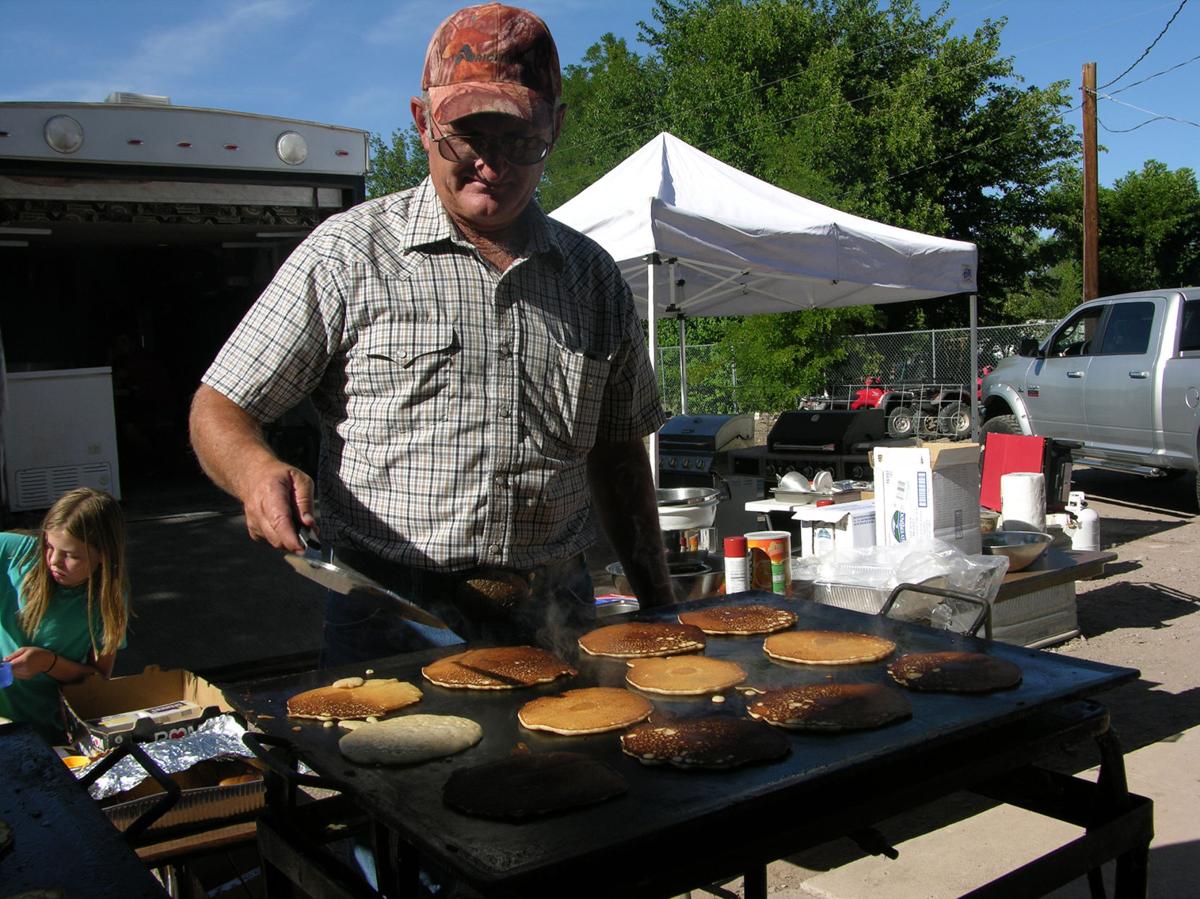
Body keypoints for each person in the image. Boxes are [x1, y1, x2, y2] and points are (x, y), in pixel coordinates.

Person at [189, 2, 673, 663]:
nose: (491, 165)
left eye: (518, 139)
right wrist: (254, 469)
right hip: (390, 609)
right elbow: (220, 404)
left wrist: (660, 606)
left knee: (569, 766)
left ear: (555, 126)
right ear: (422, 122)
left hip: (554, 611)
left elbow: (619, 460)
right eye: (467, 137)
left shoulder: (592, 279)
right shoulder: (349, 254)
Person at [1, 487, 129, 745]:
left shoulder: (107, 602)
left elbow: (97, 684)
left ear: (103, 556)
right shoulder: (12, 551)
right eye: (48, 546)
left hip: (43, 732)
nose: (53, 561)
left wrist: (47, 662)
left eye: (71, 555)